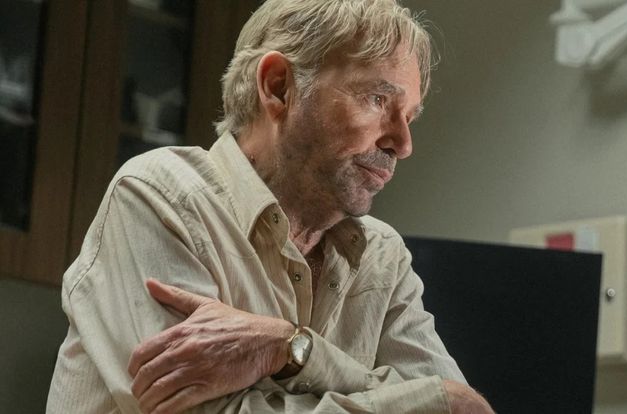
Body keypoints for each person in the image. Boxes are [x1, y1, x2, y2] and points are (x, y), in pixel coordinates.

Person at [47, 0, 495, 413]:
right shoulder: (163, 196)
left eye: (409, 117)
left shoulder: (383, 257)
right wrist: (415, 399)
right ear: (278, 86)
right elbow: (446, 404)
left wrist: (289, 349)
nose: (403, 142)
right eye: (378, 101)